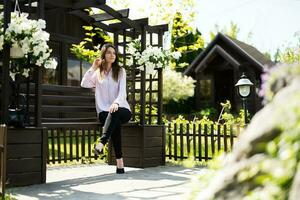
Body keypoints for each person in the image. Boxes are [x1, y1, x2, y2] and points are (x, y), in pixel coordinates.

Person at [81, 43, 131, 174]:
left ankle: (102, 142)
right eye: (109, 52)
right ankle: (120, 163)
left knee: (115, 113)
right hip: (104, 111)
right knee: (114, 122)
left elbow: (122, 92)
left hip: (122, 109)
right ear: (103, 55)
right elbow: (84, 83)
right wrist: (93, 67)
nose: (112, 55)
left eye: (114, 53)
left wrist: (116, 103)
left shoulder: (120, 71)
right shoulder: (98, 73)